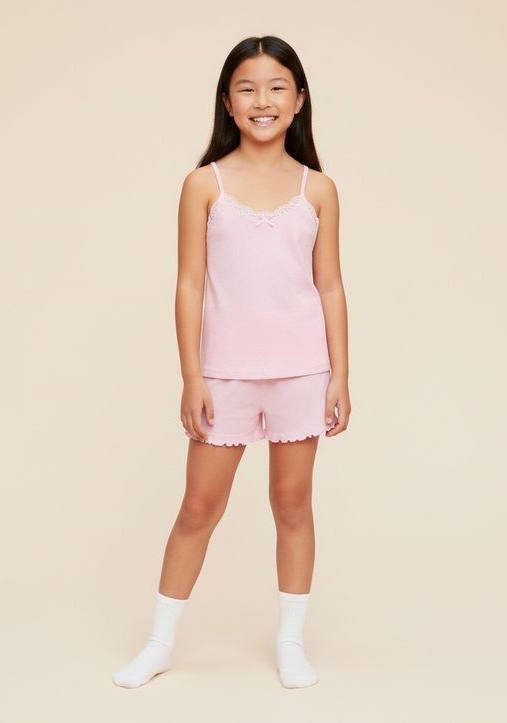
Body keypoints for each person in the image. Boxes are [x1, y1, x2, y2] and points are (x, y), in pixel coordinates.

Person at [113, 34, 351, 690]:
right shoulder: (203, 184)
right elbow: (189, 284)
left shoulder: (319, 189)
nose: (262, 100)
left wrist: (340, 375)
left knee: (293, 503)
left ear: (299, 100)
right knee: (199, 506)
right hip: (224, 373)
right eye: (247, 88)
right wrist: (191, 375)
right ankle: (159, 643)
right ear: (227, 101)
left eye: (277, 88)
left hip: (302, 372)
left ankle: (291, 643)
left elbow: (330, 286)